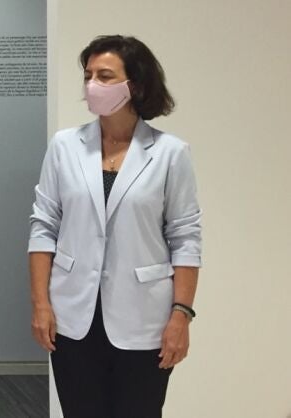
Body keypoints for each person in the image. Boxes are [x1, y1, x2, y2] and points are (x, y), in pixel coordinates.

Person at [28, 35, 203, 417]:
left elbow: (185, 239)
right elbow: (43, 227)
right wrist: (41, 304)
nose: (92, 84)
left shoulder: (170, 153)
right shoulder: (64, 146)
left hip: (145, 319)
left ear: (134, 85)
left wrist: (181, 315)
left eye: (105, 76)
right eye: (88, 75)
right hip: (73, 316)